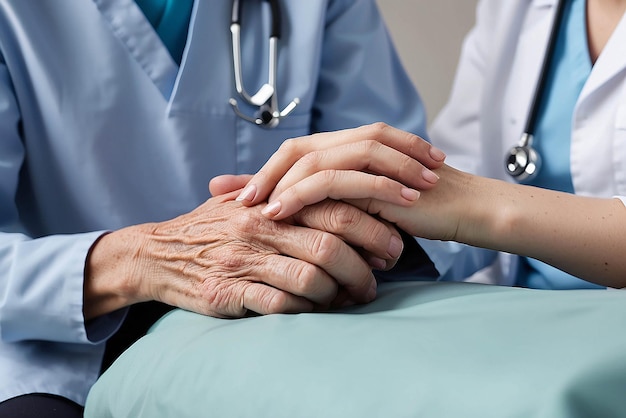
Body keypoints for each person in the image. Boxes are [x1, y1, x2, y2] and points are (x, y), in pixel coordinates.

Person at [0, 1, 445, 416]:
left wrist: (344, 229)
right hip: (56, 354)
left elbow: (398, 180)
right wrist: (144, 258)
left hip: (286, 328)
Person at [230, 0, 626, 291]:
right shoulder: (516, 9)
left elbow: (472, 195)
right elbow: (464, 167)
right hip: (512, 308)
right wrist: (350, 225)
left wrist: (488, 209)